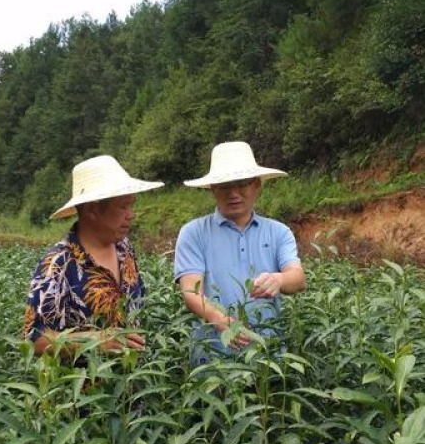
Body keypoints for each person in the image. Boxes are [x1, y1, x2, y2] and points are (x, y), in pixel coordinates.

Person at [174, 141, 305, 364]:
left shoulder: (278, 232)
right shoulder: (193, 233)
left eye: (242, 183)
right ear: (213, 188)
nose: (234, 193)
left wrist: (279, 279)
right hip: (212, 361)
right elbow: (191, 291)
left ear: (257, 185)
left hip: (268, 360)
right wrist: (220, 320)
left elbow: (298, 278)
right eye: (225, 185)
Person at [24, 155, 164, 357]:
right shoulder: (57, 264)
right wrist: (95, 341)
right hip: (86, 385)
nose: (131, 214)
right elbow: (33, 340)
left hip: (132, 380)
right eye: (123, 206)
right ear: (92, 210)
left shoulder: (125, 249)